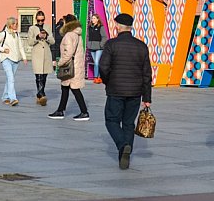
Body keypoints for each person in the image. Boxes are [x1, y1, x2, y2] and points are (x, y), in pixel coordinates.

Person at [99, 12, 152, 169]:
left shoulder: (111, 44)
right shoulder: (141, 46)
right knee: (128, 123)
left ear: (117, 26)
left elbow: (103, 67)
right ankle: (125, 153)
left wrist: (108, 81)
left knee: (111, 120)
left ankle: (123, 145)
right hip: (135, 92)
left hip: (115, 90)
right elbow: (147, 74)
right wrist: (147, 97)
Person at [48, 14, 89, 121]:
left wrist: (60, 62)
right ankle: (60, 110)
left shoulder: (69, 35)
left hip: (70, 66)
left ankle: (84, 112)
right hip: (76, 65)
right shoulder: (77, 34)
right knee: (65, 88)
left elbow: (69, 52)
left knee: (74, 89)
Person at [0, 17, 24, 106]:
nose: (16, 25)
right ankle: (12, 98)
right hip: (6, 58)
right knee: (11, 78)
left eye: (17, 24)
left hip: (16, 59)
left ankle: (5, 96)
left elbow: (20, 46)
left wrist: (24, 57)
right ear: (10, 24)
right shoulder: (3, 34)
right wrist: (3, 49)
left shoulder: (17, 34)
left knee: (9, 78)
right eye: (15, 24)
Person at [27, 10, 54, 106]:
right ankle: (42, 94)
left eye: (42, 20)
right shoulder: (32, 28)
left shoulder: (48, 27)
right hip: (37, 54)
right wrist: (37, 37)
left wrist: (46, 37)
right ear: (36, 19)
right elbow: (29, 42)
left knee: (44, 76)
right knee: (38, 75)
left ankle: (39, 94)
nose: (40, 22)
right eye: (38, 20)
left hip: (46, 53)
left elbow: (53, 41)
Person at [87, 13, 106, 83]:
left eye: (94, 18)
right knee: (96, 62)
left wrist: (101, 45)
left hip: (99, 47)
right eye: (92, 18)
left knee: (97, 62)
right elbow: (88, 36)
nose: (92, 19)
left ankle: (96, 77)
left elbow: (104, 37)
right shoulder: (90, 27)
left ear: (98, 19)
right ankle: (98, 77)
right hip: (91, 47)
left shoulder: (101, 27)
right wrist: (88, 44)